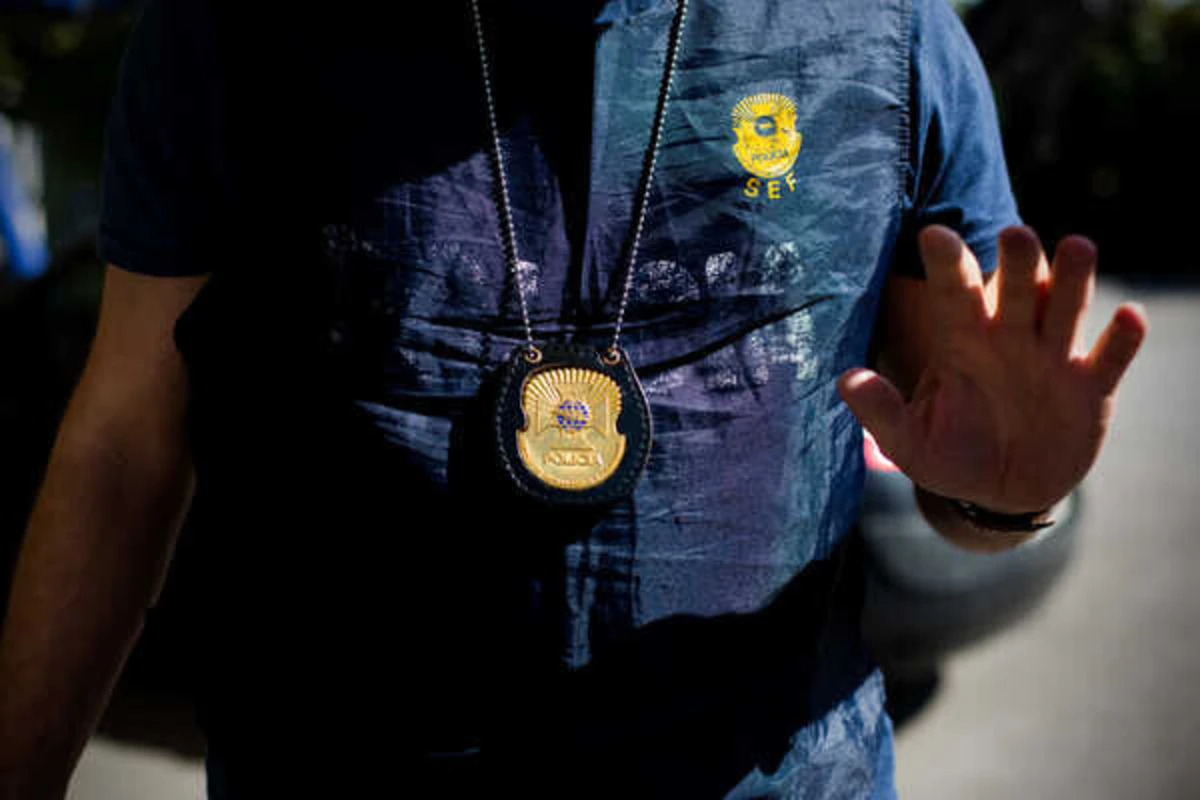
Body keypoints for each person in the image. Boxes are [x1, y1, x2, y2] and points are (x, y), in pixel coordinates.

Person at [0, 0, 1146, 797]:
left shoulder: (887, 37)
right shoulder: (235, 32)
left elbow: (960, 450)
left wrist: (1009, 496)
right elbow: (120, 450)